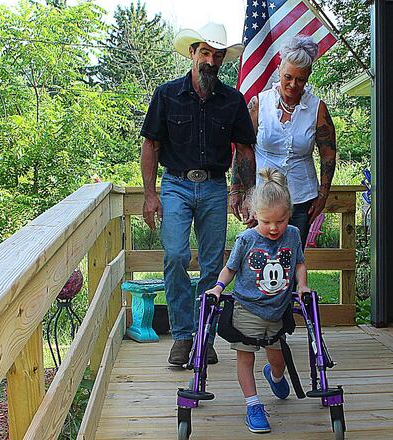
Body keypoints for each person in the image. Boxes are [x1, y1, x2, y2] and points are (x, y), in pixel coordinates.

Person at [140, 22, 257, 366]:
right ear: (192, 53)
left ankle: (204, 338)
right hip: (175, 184)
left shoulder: (232, 100)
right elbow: (151, 144)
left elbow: (246, 150)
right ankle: (181, 336)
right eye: (205, 52)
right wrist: (150, 194)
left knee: (212, 265)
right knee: (175, 256)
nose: (210, 60)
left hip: (214, 186)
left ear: (222, 60)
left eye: (217, 55)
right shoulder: (166, 94)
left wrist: (243, 191)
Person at [207, 168, 310, 434]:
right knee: (246, 357)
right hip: (247, 309)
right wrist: (218, 287)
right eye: (267, 222)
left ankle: (274, 376)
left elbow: (299, 263)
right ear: (254, 215)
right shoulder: (247, 239)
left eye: (281, 220)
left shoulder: (293, 235)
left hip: (277, 311)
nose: (274, 228)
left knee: (279, 360)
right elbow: (229, 269)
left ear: (289, 213)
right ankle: (253, 405)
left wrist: (303, 285)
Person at [238, 36, 337, 245]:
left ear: (308, 76)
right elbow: (243, 149)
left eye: (300, 80)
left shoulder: (317, 109)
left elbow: (328, 153)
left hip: (302, 198)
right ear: (280, 72)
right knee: (261, 257)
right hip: (263, 196)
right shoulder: (259, 104)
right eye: (288, 77)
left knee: (292, 259)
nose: (293, 84)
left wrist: (323, 193)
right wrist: (242, 191)